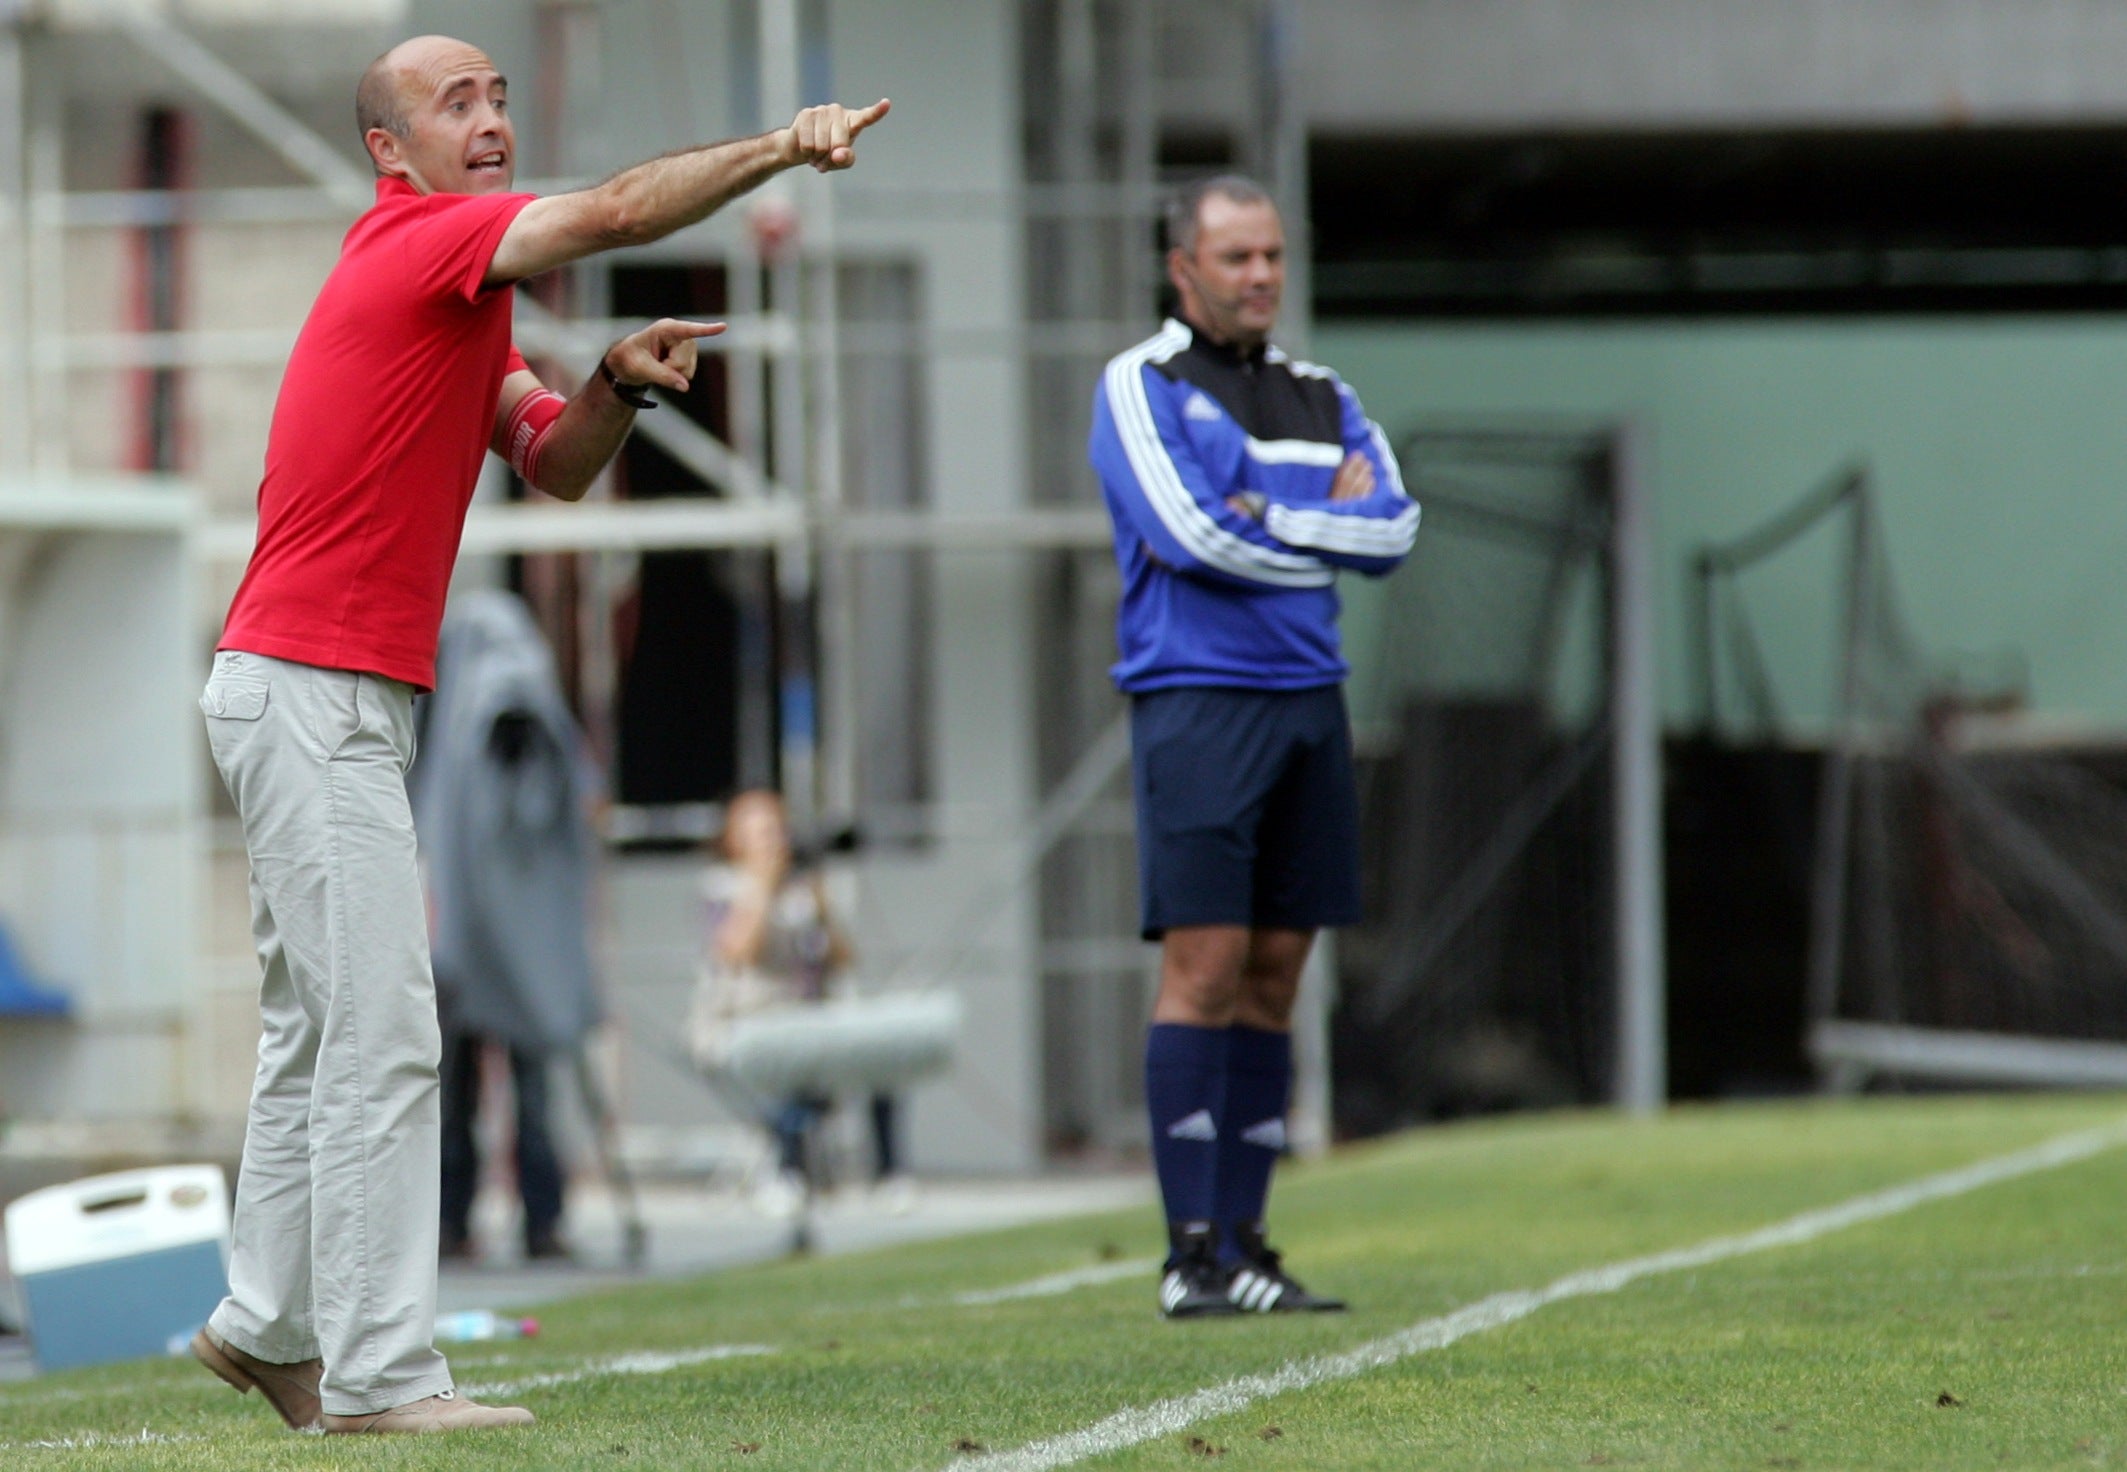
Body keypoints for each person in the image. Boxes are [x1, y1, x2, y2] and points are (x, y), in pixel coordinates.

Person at [190, 33, 888, 1434]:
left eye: (499, 97)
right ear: (394, 153)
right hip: (309, 691)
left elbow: (555, 464)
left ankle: (264, 1325)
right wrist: (778, 144)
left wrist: (620, 384)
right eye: (459, 103)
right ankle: (383, 1376)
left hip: (311, 691)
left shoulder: (458, 298)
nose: (493, 119)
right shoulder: (425, 244)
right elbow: (622, 214)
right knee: (384, 1036)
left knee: (314, 1036)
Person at [1087, 175, 1419, 1320]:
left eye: (1272, 253)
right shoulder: (1142, 383)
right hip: (1197, 702)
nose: (1262, 275)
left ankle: (1247, 1241)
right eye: (1236, 257)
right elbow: (1187, 537)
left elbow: (1400, 528)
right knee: (1208, 963)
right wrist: (1322, 526)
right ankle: (1189, 1253)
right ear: (1184, 268)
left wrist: (1262, 518)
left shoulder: (1324, 392)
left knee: (1279, 973)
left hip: (1308, 700)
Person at [411, 592, 605, 1265]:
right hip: (479, 946)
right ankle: (477, 1220)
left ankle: (519, 1218)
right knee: (468, 1090)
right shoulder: (467, 726)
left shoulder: (496, 721)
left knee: (506, 1087)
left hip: (487, 945)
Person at [689, 791, 907, 1215]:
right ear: (735, 841)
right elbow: (736, 952)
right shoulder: (722, 887)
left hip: (806, 1018)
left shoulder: (802, 889)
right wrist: (762, 887)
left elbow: (843, 960)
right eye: (762, 834)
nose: (775, 842)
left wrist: (821, 902)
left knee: (885, 1049)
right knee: (785, 1059)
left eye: (778, 831)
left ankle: (889, 1174)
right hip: (743, 1024)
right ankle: (786, 1172)